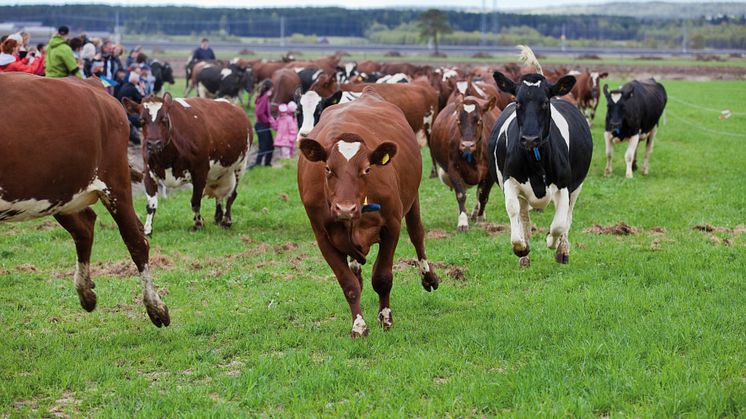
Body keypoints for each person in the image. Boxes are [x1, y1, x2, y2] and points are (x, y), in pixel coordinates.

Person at [116, 72, 145, 145]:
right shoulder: (133, 89)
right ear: (136, 81)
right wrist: (142, 90)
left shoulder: (124, 86)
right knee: (144, 120)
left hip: (121, 112)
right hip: (128, 115)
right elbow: (142, 101)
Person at [253, 80, 276, 167]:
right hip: (262, 125)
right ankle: (258, 164)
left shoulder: (262, 97)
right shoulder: (264, 98)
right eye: (272, 88)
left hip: (262, 125)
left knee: (270, 146)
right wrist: (267, 121)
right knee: (264, 147)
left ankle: (267, 164)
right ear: (269, 88)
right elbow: (259, 112)